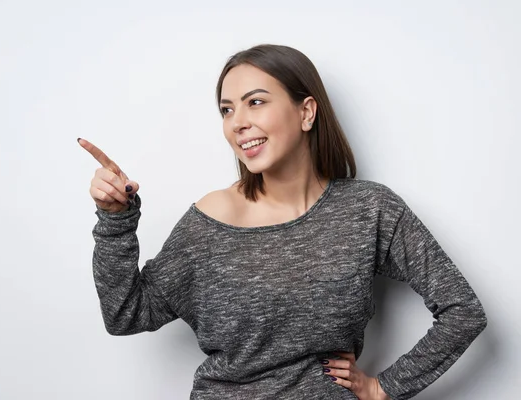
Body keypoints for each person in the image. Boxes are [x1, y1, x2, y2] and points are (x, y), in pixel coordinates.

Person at [78, 44, 488, 400]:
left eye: (255, 101)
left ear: (306, 111)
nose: (237, 122)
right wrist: (115, 220)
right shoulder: (211, 220)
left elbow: (462, 310)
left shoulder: (369, 210)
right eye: (227, 109)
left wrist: (385, 387)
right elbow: (126, 314)